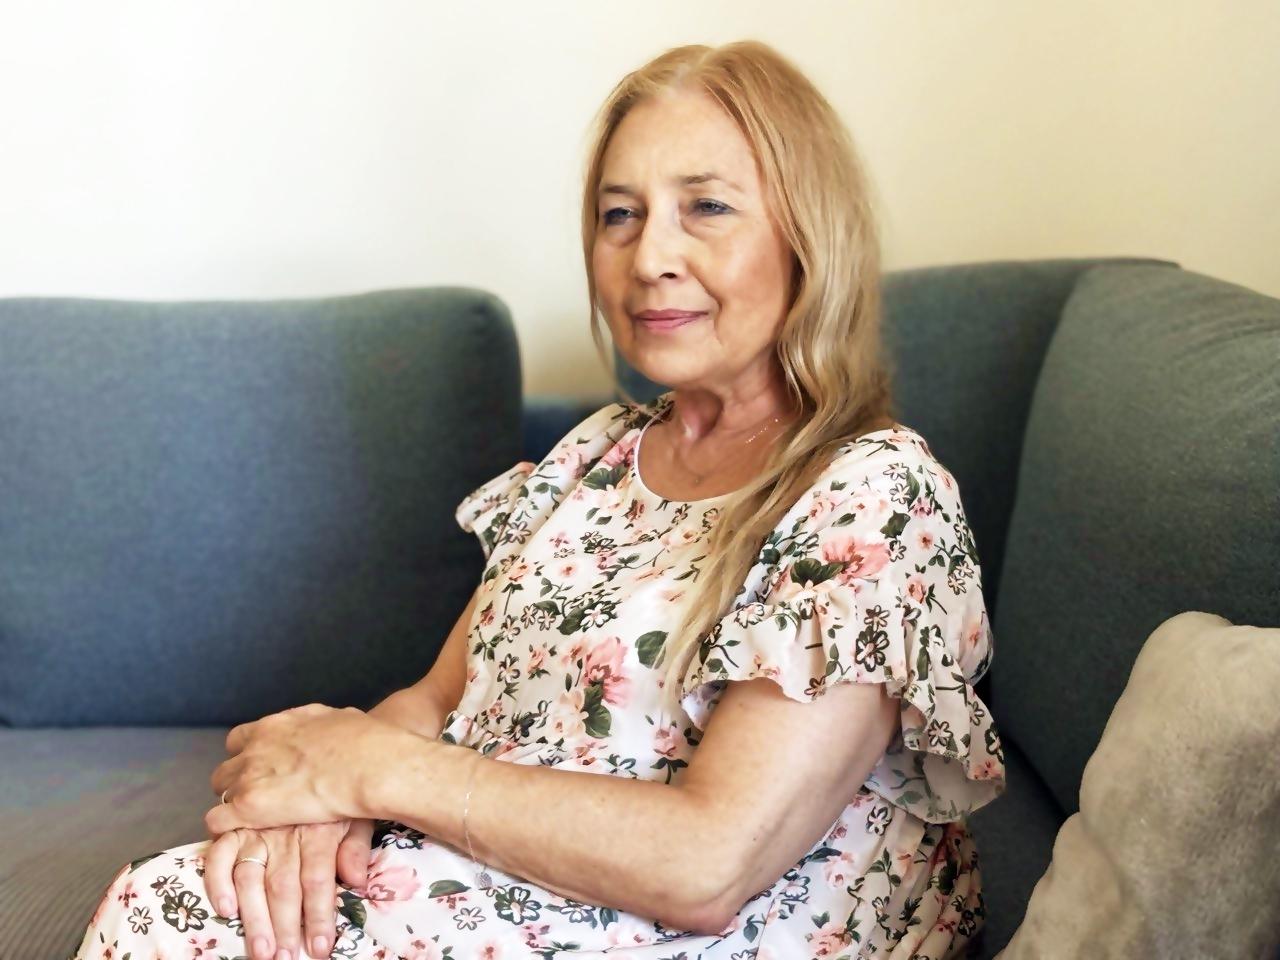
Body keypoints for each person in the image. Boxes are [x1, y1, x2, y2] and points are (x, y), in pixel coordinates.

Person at [73, 38, 1006, 960]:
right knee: (200, 892)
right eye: (619, 215)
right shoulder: (596, 456)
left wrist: (378, 772)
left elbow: (708, 865)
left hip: (704, 922)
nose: (650, 256)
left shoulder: (874, 495)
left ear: (809, 237)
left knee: (168, 916)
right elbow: (433, 699)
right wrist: (326, 807)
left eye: (708, 207)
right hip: (504, 870)